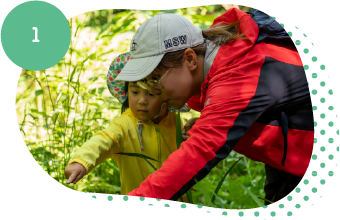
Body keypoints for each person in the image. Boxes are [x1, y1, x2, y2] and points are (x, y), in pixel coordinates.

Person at [115, 8, 314, 205]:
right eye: (146, 82)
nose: (153, 92)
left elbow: (197, 154)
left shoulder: (238, 74)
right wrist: (208, 122)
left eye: (156, 79)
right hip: (288, 157)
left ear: (190, 59)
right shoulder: (221, 59)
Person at [64, 52, 191, 196]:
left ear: (165, 94)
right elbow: (104, 140)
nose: (142, 100)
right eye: (135, 92)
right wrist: (81, 161)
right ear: (126, 92)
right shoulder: (124, 125)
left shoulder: (174, 120)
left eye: (151, 94)